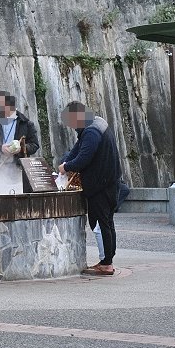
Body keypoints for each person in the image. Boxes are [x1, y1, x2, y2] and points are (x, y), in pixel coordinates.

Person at [59, 100, 121, 276]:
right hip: (108, 181)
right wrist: (67, 161)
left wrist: (66, 167)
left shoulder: (91, 131)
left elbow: (83, 158)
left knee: (101, 224)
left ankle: (106, 264)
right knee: (107, 222)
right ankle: (106, 260)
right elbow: (77, 149)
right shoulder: (96, 123)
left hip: (101, 184)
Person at [0, 92, 40, 172]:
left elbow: (34, 145)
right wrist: (0, 148)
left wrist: (21, 148)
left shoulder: (26, 124)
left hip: (18, 170)